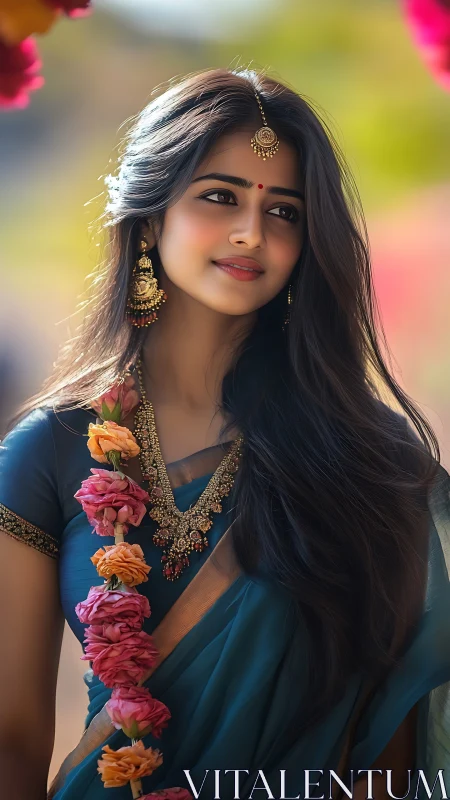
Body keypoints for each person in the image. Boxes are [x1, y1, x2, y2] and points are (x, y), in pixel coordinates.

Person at [0, 67, 449, 800]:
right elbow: (12, 737)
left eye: (286, 212)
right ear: (151, 217)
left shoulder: (372, 463)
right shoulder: (50, 450)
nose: (252, 231)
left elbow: (390, 749)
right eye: (220, 197)